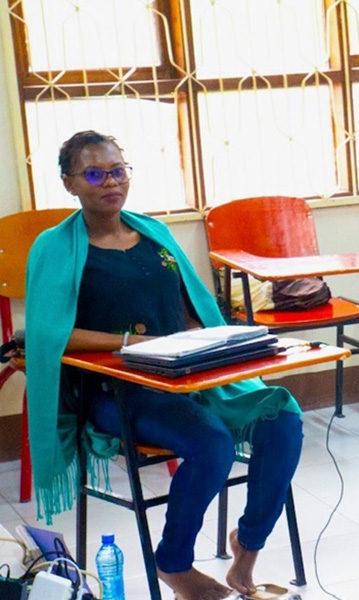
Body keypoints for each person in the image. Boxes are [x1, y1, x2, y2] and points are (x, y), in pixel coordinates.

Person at [25, 131, 304, 600]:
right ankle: (174, 565)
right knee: (211, 443)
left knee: (283, 417)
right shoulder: (55, 247)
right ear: (70, 183)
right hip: (118, 390)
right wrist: (134, 342)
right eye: (94, 173)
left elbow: (191, 305)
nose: (110, 182)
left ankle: (246, 550)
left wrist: (214, 340)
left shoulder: (154, 233)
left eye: (118, 170)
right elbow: (51, 333)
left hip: (186, 374)